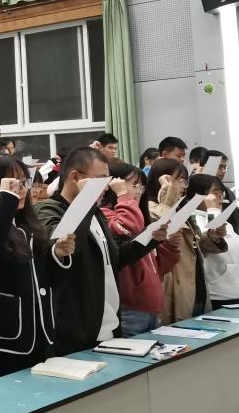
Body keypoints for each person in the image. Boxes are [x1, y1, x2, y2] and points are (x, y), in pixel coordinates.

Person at [34, 147, 162, 355]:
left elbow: (115, 259)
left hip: (109, 321)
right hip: (74, 329)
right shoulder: (48, 209)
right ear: (75, 177)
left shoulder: (95, 213)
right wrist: (86, 200)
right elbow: (66, 252)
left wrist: (151, 238)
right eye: (101, 180)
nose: (106, 187)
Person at [0, 155, 76, 382]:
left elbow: (45, 276)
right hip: (2, 335)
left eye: (24, 182)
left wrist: (57, 254)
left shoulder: (27, 221)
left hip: (38, 330)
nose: (22, 190)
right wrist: (5, 199)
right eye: (13, 184)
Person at [100, 162, 179, 336]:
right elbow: (130, 227)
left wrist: (170, 244)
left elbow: (160, 267)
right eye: (134, 185)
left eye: (141, 186)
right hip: (129, 308)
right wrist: (122, 195)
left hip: (152, 306)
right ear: (113, 185)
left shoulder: (138, 216)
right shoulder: (105, 215)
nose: (139, 191)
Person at [150, 173, 228, 323]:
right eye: (178, 180)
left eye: (184, 181)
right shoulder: (153, 208)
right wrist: (168, 202)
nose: (183, 186)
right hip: (177, 284)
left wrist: (213, 236)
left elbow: (196, 246)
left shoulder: (183, 210)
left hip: (197, 282)